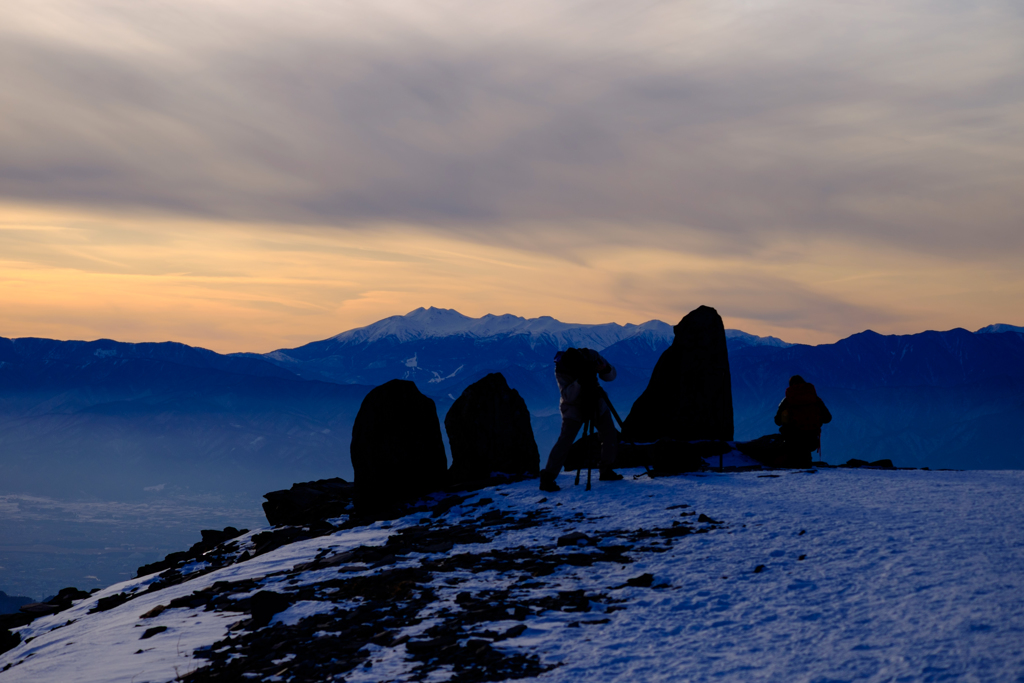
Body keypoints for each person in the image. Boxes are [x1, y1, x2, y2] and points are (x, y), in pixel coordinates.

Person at [539, 347, 621, 492]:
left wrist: (604, 368)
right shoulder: (562, 368)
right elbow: (568, 396)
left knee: (609, 434)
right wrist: (580, 382)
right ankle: (548, 476)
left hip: (596, 401)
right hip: (574, 408)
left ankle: (606, 469)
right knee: (565, 441)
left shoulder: (592, 356)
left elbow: (611, 375)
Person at [774, 375, 832, 466]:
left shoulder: (787, 401)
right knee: (806, 456)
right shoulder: (815, 400)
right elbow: (828, 418)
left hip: (792, 437)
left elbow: (777, 421)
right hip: (811, 437)